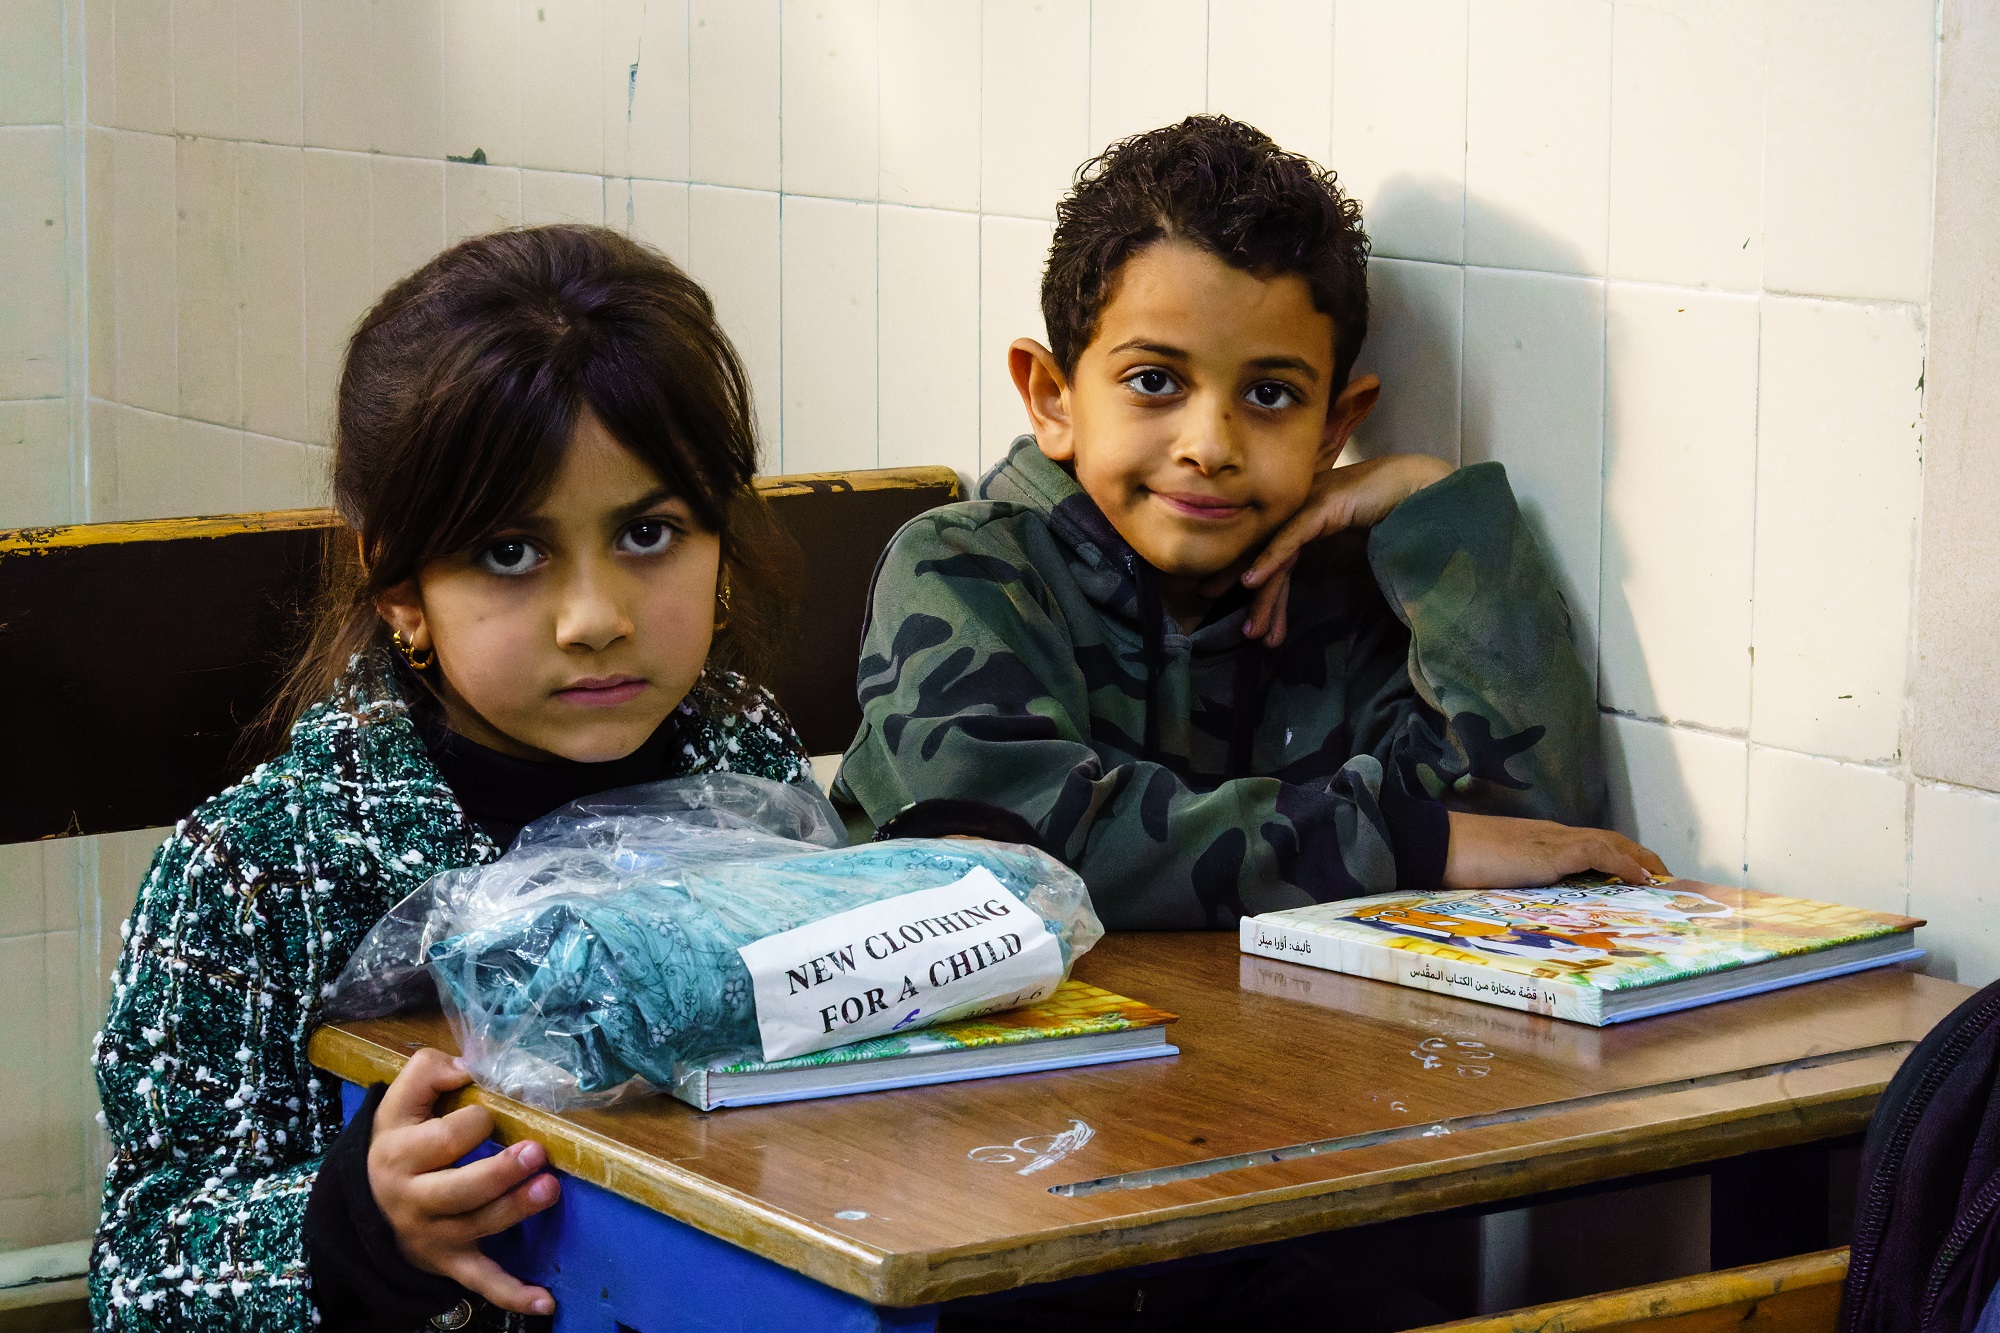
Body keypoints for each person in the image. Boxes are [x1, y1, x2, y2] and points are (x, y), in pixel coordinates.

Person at [90, 225, 813, 1332]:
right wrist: (358, 1230)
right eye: (511, 553)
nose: (595, 619)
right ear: (398, 585)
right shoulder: (259, 872)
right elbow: (137, 1281)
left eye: (650, 531)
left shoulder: (751, 766)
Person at [835, 115, 1665, 932]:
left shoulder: (1343, 595)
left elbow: (1530, 834)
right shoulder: (964, 569)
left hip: (1266, 1057)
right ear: (1053, 398)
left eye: (1270, 395)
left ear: (1335, 429)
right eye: (1154, 380)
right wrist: (1404, 840)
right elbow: (1017, 854)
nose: (1210, 446)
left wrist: (1431, 505)